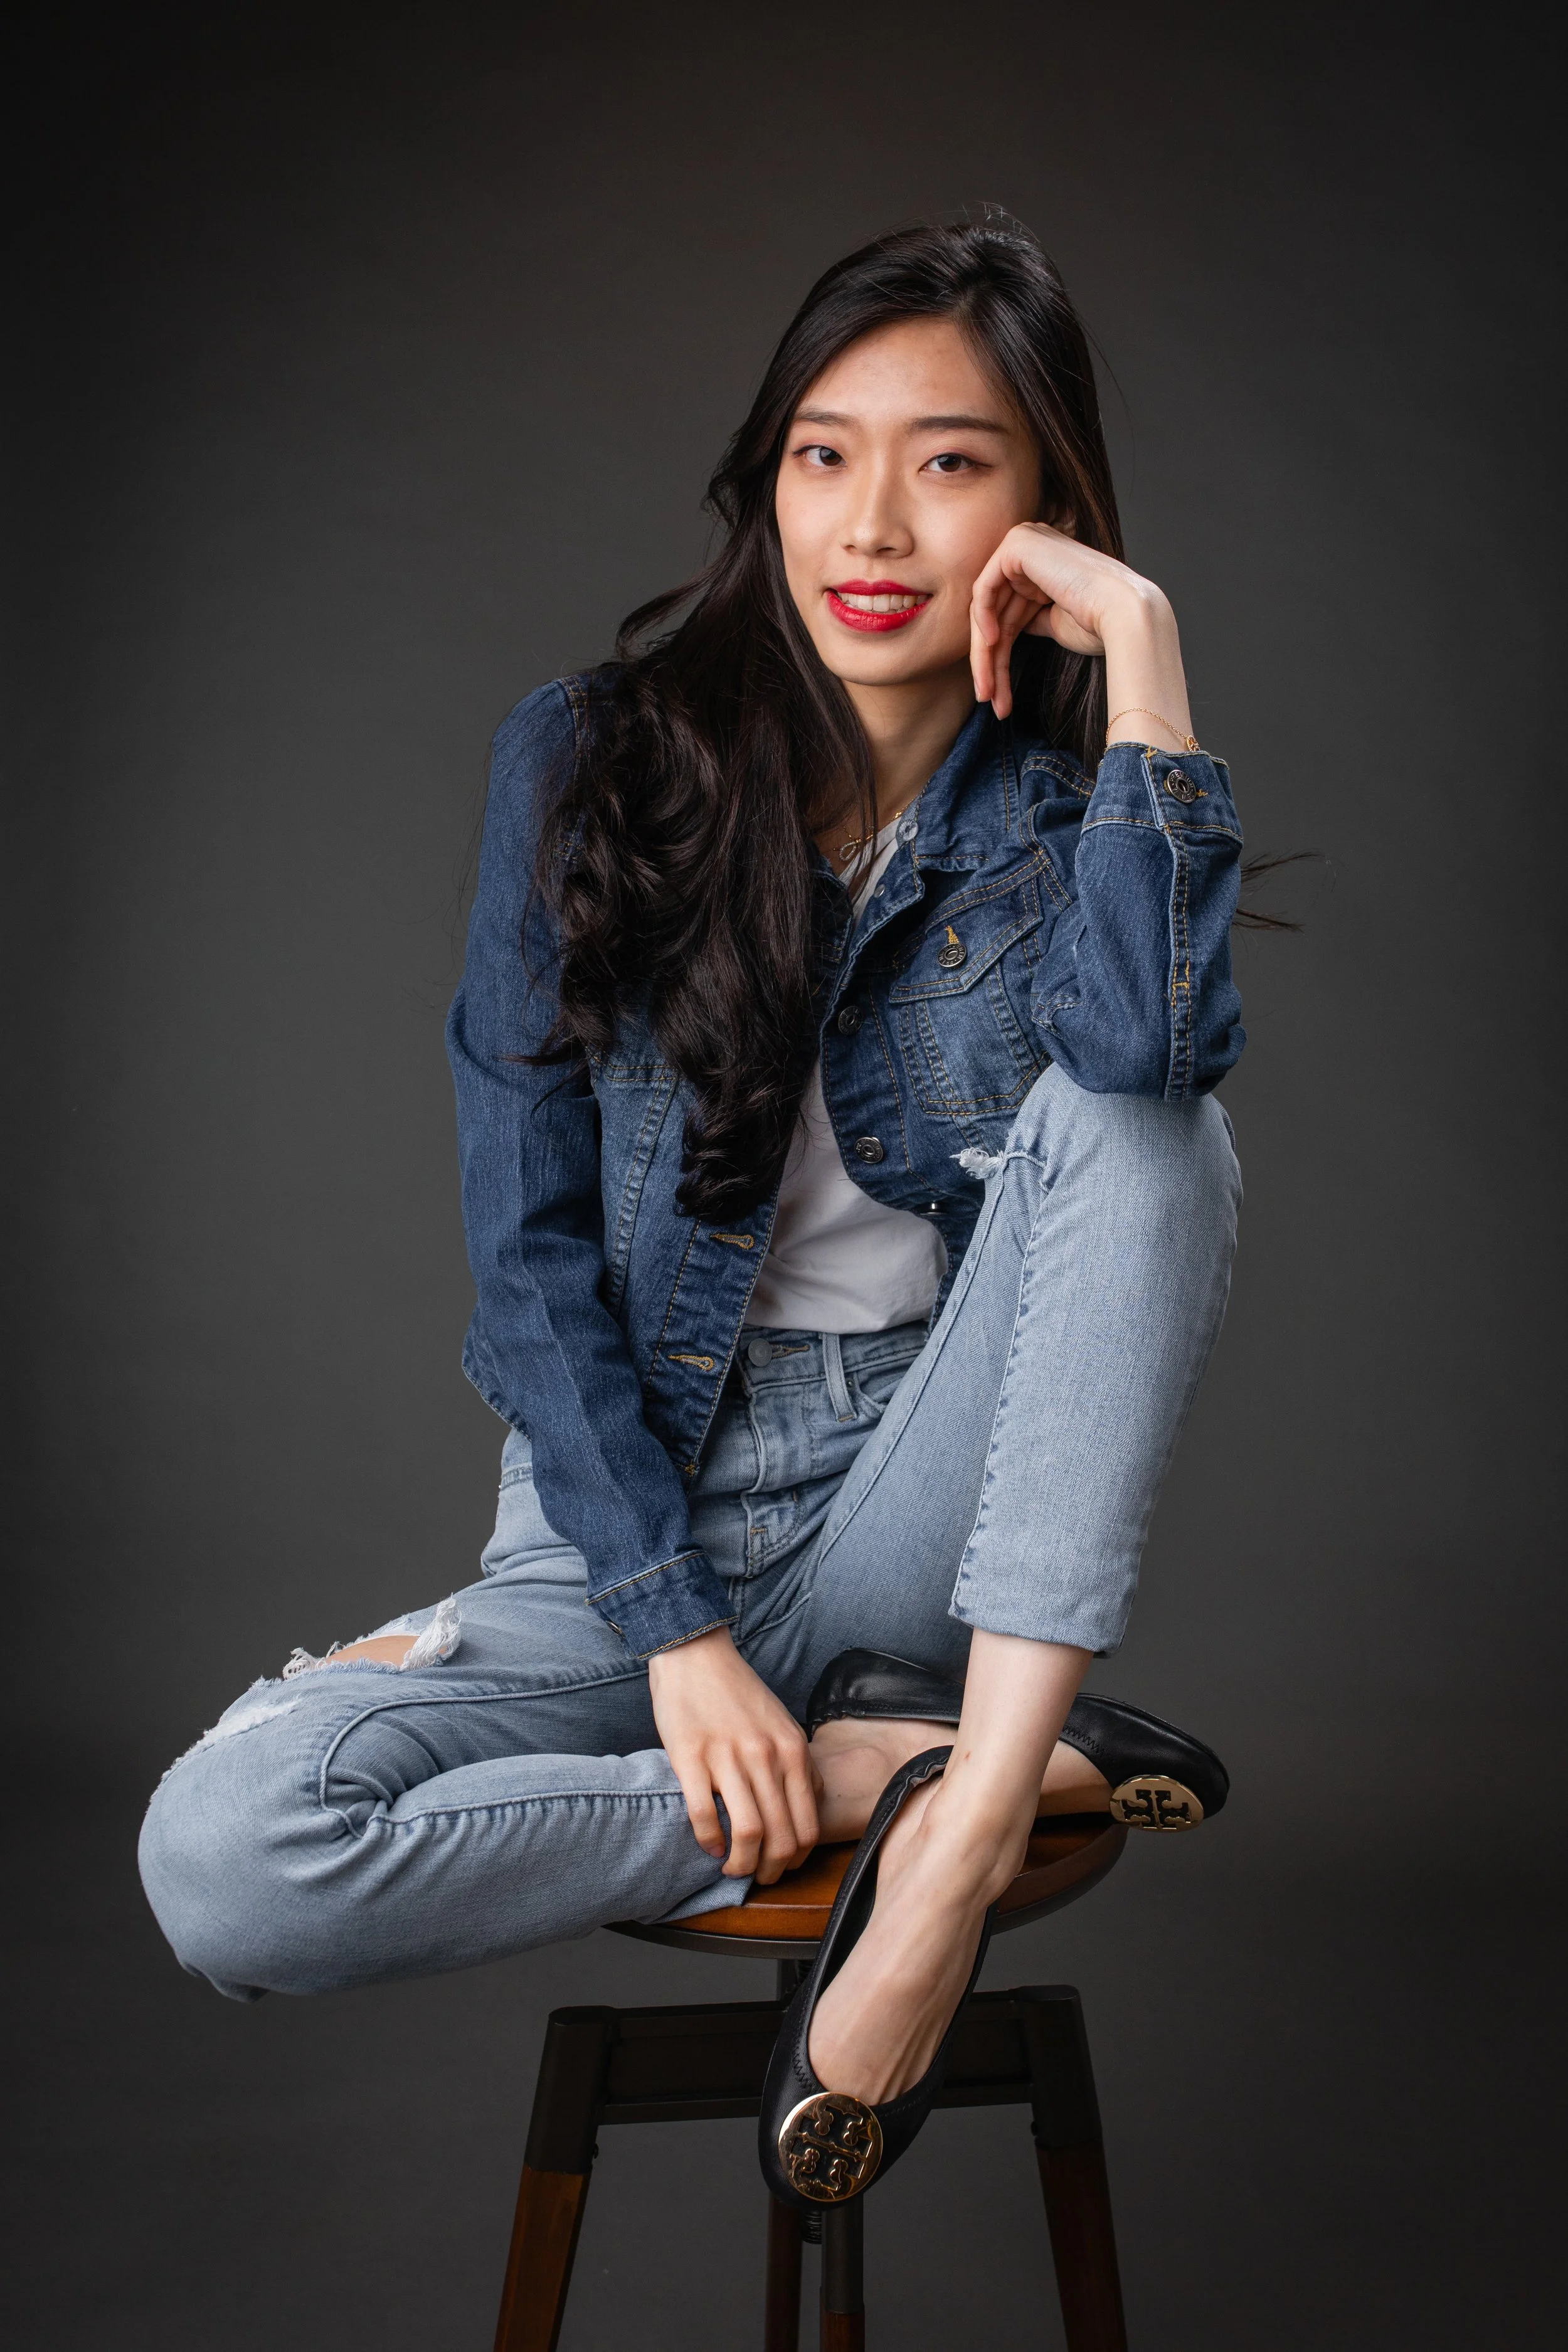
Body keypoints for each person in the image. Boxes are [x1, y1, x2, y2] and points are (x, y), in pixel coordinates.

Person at [140, 217, 1243, 2145]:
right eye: (824, 452)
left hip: (914, 1498)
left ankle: (963, 1822)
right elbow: (528, 1257)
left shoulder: (1072, 835)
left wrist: (1146, 669)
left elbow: (1144, 1079)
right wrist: (674, 1630)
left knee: (1152, 1117)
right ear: (768, 483)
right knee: (229, 1852)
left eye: (951, 459)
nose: (874, 523)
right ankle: (901, 1776)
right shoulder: (587, 762)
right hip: (612, 1525)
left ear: (1044, 503)